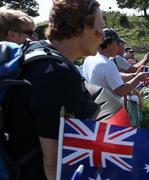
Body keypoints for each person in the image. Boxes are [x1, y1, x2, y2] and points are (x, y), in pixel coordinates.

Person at [4, 0, 105, 179]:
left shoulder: (35, 50)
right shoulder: (59, 75)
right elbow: (55, 166)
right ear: (81, 28)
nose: (103, 36)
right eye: (99, 28)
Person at [82, 28, 149, 103]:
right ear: (109, 45)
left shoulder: (89, 59)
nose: (118, 47)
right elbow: (121, 91)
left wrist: (134, 75)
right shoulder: (107, 64)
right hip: (109, 109)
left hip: (94, 105)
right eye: (117, 43)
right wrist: (138, 79)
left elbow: (113, 76)